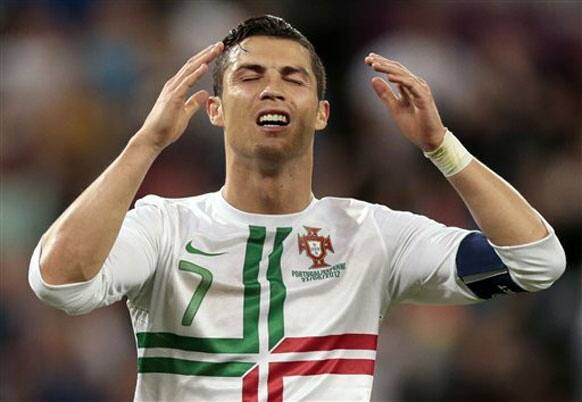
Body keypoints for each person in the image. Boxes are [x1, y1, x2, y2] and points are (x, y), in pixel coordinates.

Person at [29, 15, 566, 402]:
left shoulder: (370, 234)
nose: (272, 91)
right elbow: (58, 282)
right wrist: (145, 142)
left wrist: (441, 146)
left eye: (293, 79)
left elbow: (536, 261)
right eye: (249, 77)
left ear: (321, 113)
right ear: (212, 109)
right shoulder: (163, 227)